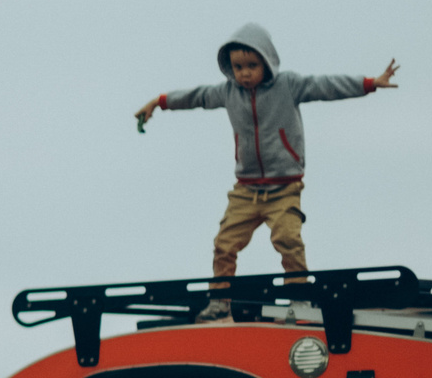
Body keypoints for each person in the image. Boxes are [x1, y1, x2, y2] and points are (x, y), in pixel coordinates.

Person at [133, 23, 399, 316]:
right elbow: (196, 97)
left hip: (284, 188)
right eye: (237, 67)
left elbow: (327, 86)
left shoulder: (288, 85)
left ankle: (299, 297)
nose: (244, 73)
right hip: (246, 190)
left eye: (251, 65)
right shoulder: (228, 92)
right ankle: (221, 300)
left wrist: (372, 83)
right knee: (224, 244)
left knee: (288, 240)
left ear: (267, 62)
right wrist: (158, 102)